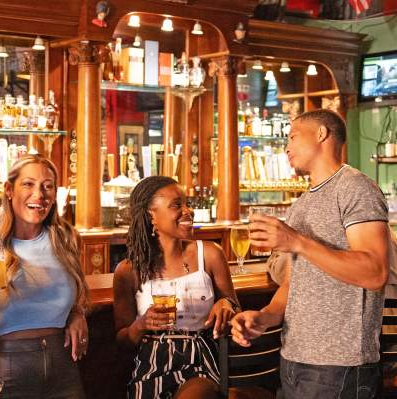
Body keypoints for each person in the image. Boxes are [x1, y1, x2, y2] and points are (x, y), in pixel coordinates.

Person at [231, 109, 391, 399]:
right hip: (294, 358)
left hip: (341, 365)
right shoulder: (301, 204)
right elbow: (295, 283)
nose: (287, 147)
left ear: (321, 134)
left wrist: (298, 241)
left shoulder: (356, 188)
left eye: (292, 136)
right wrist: (265, 317)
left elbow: (375, 272)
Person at [0, 154, 88, 399]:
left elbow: (76, 293)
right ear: (9, 190)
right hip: (8, 369)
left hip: (64, 367)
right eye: (28, 184)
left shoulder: (68, 240)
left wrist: (77, 311)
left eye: (48, 186)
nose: (39, 195)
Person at [114, 176, 240, 399]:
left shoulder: (210, 254)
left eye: (186, 203)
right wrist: (141, 324)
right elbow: (122, 341)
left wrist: (226, 303)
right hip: (151, 363)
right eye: (176, 205)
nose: (187, 211)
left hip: (198, 359)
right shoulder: (127, 270)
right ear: (151, 215)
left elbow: (236, 313)